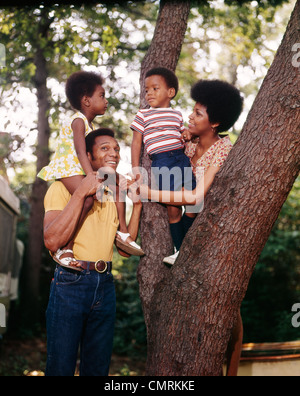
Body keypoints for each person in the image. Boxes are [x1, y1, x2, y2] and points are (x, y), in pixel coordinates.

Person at [140, 79, 244, 376]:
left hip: (212, 235)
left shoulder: (223, 149)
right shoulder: (187, 144)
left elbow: (196, 196)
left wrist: (149, 193)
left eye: (198, 114)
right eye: (193, 111)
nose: (190, 117)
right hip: (184, 227)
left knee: (229, 316)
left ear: (216, 122)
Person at [43, 128, 143, 376]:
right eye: (105, 148)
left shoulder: (113, 193)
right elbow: (51, 240)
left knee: (98, 368)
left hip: (105, 284)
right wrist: (81, 191)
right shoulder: (61, 188)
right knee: (61, 367)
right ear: (88, 156)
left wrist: (137, 205)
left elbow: (126, 249)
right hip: (70, 281)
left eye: (117, 149)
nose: (115, 154)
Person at [38, 71, 143, 269]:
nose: (106, 100)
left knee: (116, 188)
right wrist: (91, 178)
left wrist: (125, 186)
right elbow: (79, 151)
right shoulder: (78, 121)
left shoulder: (91, 127)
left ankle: (123, 232)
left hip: (82, 169)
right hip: (69, 169)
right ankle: (65, 249)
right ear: (86, 100)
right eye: (102, 96)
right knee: (86, 199)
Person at [131, 67, 196, 255]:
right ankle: (180, 250)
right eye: (146, 90)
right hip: (161, 162)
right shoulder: (143, 115)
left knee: (193, 201)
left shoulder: (176, 114)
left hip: (181, 158)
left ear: (170, 92)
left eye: (155, 88)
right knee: (173, 209)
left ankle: (188, 242)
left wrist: (186, 134)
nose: (149, 93)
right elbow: (136, 143)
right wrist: (136, 168)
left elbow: (181, 132)